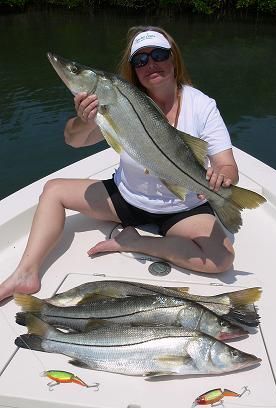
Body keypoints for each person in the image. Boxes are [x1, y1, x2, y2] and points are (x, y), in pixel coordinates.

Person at [0, 26, 238, 303]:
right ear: (134, 69)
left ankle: (136, 242)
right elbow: (73, 140)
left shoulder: (202, 106)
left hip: (181, 207)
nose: (151, 64)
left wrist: (221, 177)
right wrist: (84, 120)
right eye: (141, 60)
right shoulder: (118, 98)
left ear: (174, 59)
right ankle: (25, 273)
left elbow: (227, 165)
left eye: (159, 54)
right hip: (126, 198)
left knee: (221, 258)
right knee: (53, 190)